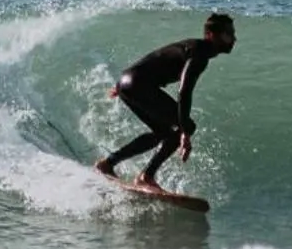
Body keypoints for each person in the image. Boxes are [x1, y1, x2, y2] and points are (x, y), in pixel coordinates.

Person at [95, 13, 236, 189]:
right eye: (228, 33)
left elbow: (156, 57)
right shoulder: (200, 53)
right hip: (137, 84)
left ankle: (108, 163)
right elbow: (184, 90)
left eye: (232, 33)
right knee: (187, 126)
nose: (233, 38)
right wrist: (185, 132)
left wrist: (124, 84)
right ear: (211, 35)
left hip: (129, 82)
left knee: (163, 133)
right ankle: (146, 176)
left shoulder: (192, 46)